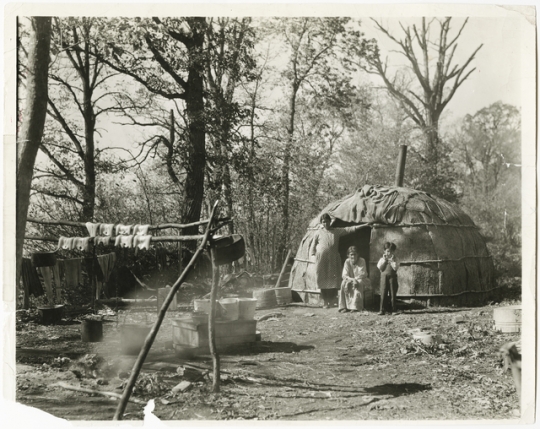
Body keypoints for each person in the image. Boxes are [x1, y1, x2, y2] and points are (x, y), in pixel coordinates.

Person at [310, 213, 365, 309]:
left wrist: (363, 226)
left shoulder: (336, 231)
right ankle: (325, 302)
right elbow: (313, 245)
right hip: (322, 259)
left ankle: (331, 301)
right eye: (323, 222)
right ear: (321, 223)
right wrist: (312, 255)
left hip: (333, 258)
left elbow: (349, 229)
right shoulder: (318, 232)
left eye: (327, 221)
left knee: (333, 280)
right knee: (322, 279)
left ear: (330, 221)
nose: (326, 223)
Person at [339, 246, 371, 313]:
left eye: (354, 254)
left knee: (358, 282)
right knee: (343, 283)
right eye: (351, 255)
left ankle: (355, 307)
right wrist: (351, 280)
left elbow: (362, 274)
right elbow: (344, 275)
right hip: (351, 279)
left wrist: (354, 280)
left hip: (362, 279)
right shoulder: (347, 261)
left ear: (358, 254)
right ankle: (344, 306)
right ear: (348, 255)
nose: (353, 256)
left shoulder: (362, 260)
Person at [377, 242, 400, 315]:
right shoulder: (382, 259)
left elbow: (395, 268)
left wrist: (392, 261)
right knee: (383, 293)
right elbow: (380, 268)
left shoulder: (396, 259)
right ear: (384, 251)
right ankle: (382, 310)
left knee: (393, 293)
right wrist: (385, 260)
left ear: (393, 251)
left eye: (391, 251)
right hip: (384, 277)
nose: (389, 253)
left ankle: (393, 310)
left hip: (392, 278)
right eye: (387, 251)